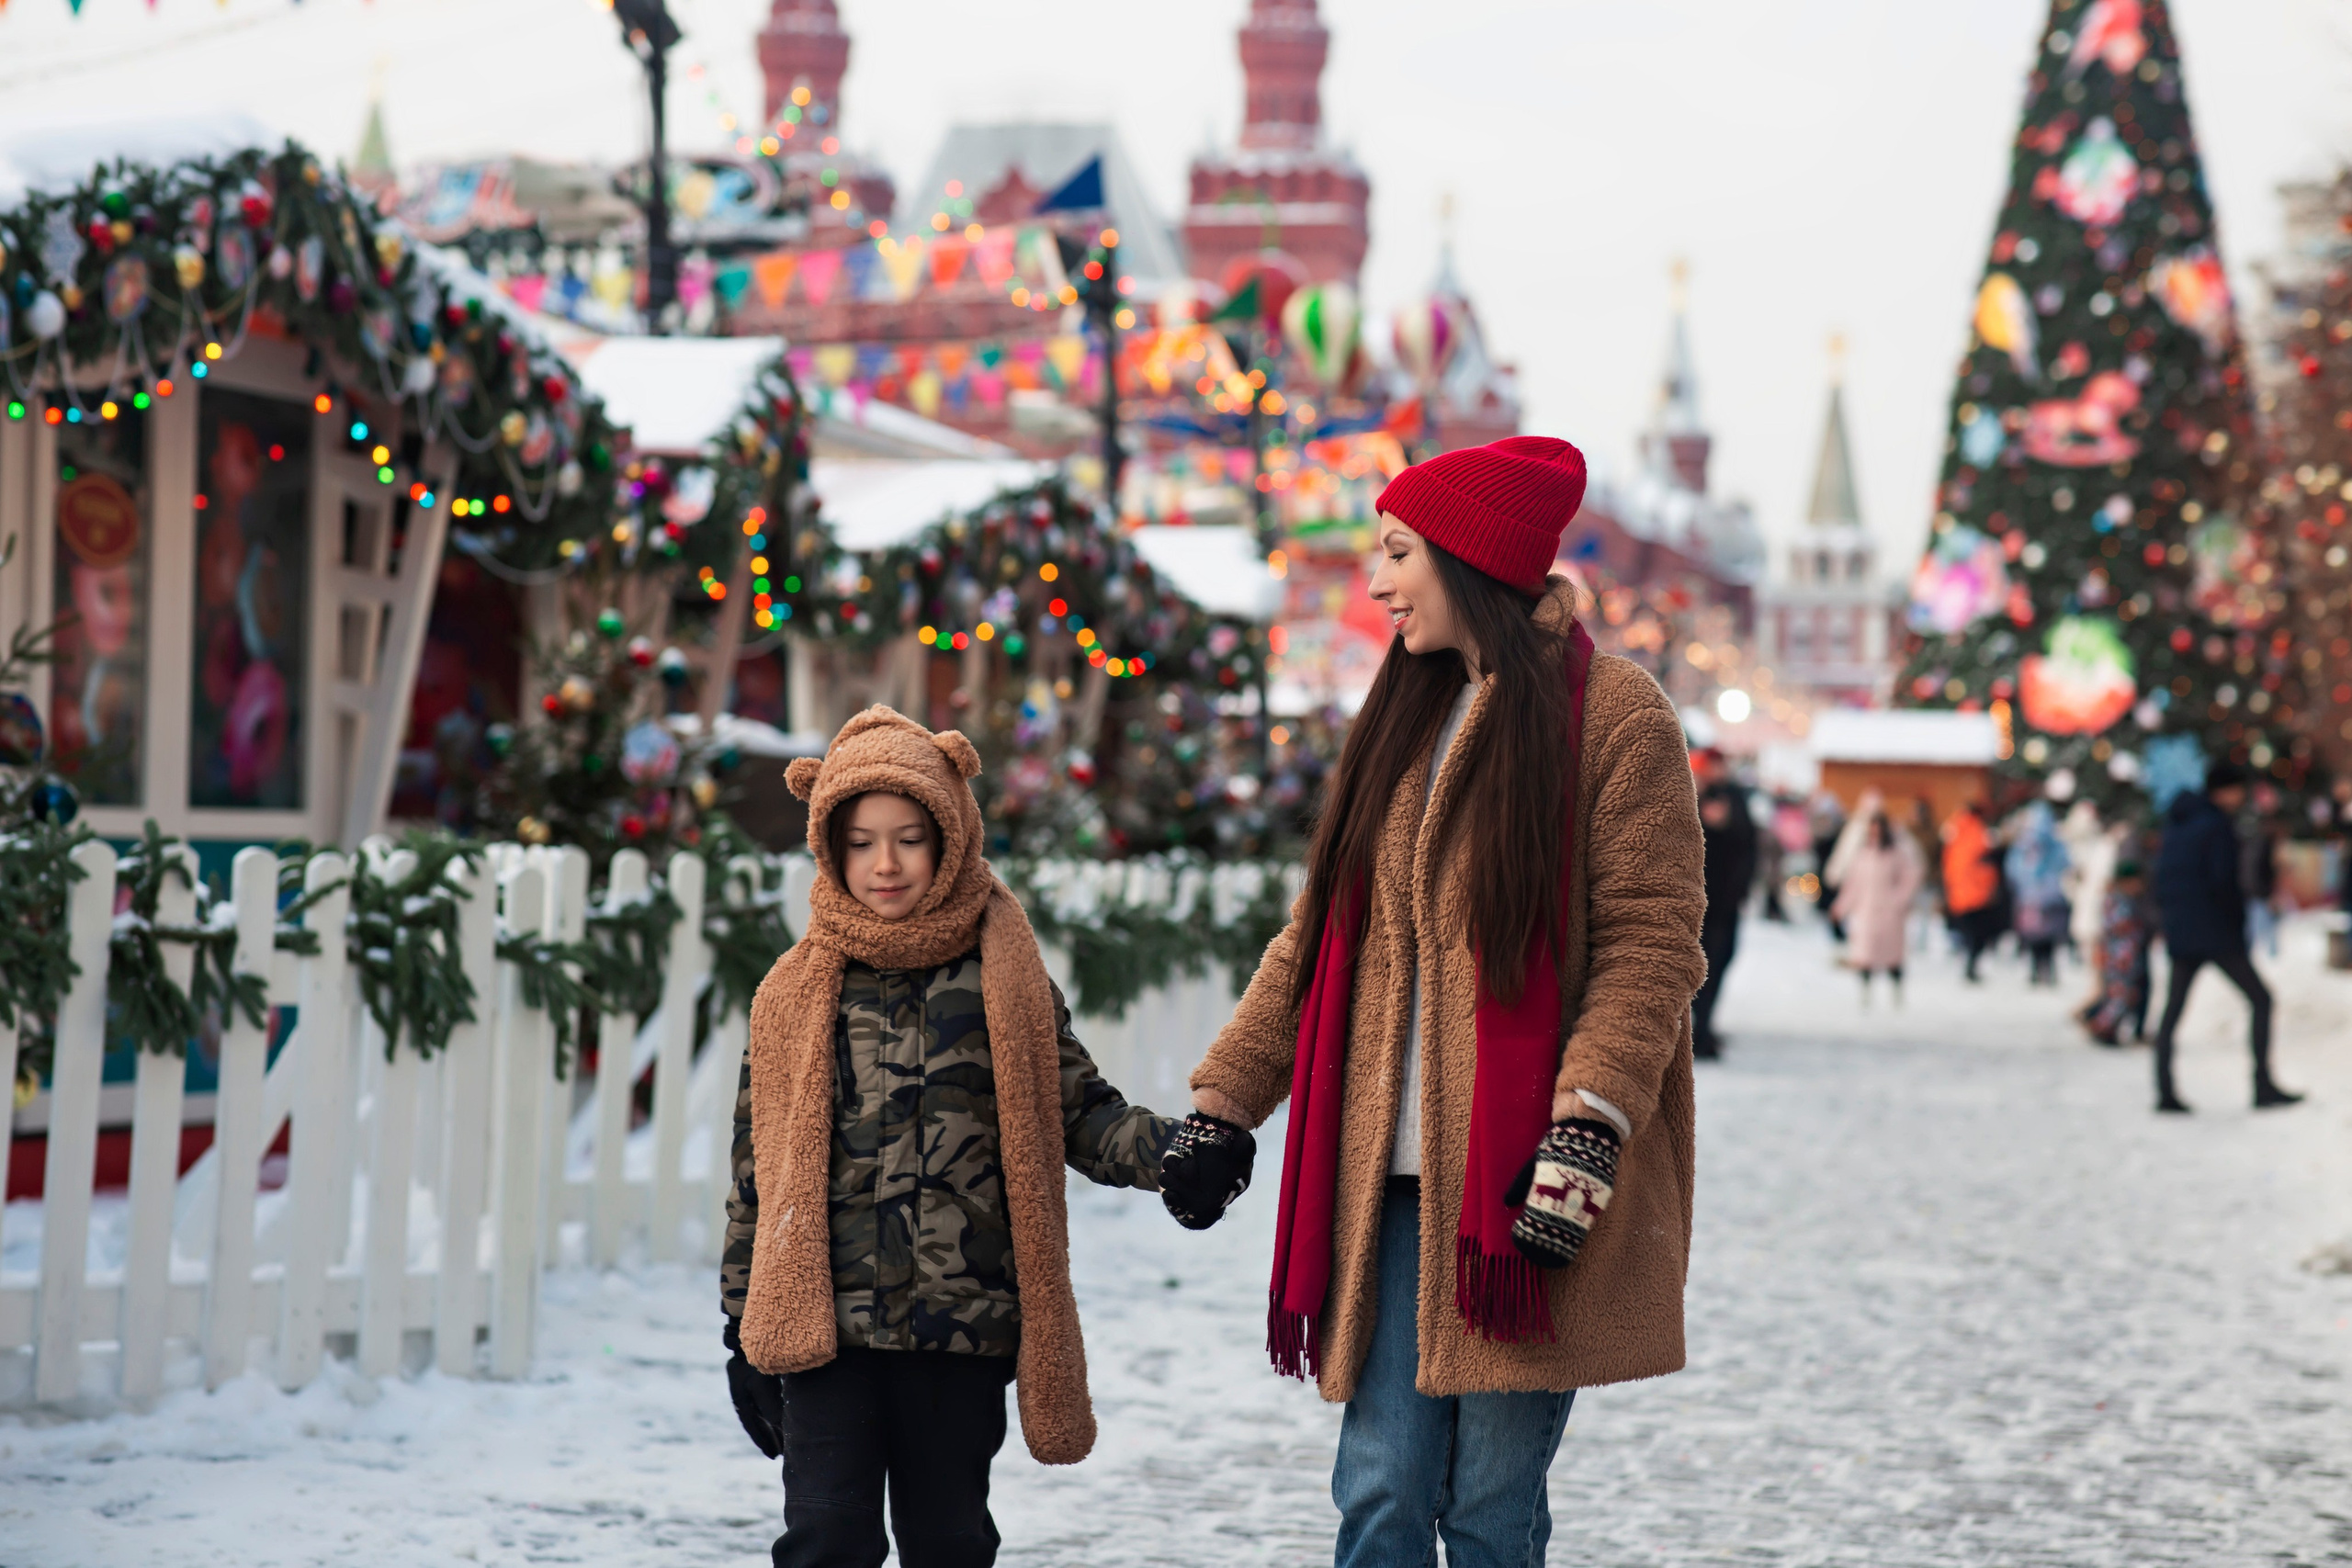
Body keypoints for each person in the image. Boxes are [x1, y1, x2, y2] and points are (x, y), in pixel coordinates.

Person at [1160, 436, 1707, 1568]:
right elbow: (1317, 943)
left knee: (1491, 1512)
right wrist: (1225, 1102)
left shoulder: (1616, 718)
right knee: (1380, 1495)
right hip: (1392, 1186)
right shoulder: (1402, 718)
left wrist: (1587, 1126)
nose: (1373, 581)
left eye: (1397, 552)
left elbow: (1652, 944)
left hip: (1529, 1185)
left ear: (1469, 559)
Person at [721, 707, 1208, 1568]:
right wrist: (739, 1324)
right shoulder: (793, 992)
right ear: (829, 846)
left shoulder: (1001, 978)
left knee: (948, 1543)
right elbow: (757, 1172)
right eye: (863, 840)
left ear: (950, 836)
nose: (886, 863)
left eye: (910, 837)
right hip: (827, 1330)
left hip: (961, 1329)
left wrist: (1171, 1149)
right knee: (826, 1539)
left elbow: (1080, 1109)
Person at [2149, 761, 2302, 1113]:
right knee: (2261, 999)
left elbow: (2164, 879)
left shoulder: (2177, 824)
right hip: (2214, 930)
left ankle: (2164, 1089)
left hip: (2182, 929)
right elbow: (2224, 883)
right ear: (2226, 791)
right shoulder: (2216, 826)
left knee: (2172, 1011)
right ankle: (2263, 1084)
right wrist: (2237, 924)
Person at [1691, 748, 1757, 1060]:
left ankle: (1703, 1027)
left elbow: (1747, 844)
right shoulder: (1691, 794)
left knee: (1718, 963)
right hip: (1697, 901)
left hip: (1725, 902)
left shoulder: (1735, 797)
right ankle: (1698, 1032)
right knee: (1700, 967)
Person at [1832, 809, 1922, 1005]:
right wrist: (1841, 907)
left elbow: (1910, 878)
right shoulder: (1862, 856)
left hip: (1890, 913)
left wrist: (1899, 900)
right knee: (1865, 955)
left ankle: (1897, 994)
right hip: (1866, 912)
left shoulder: (1896, 855)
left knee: (1892, 956)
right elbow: (1852, 886)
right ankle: (1865, 994)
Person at [2083, 857, 2152, 1046]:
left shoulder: (2121, 899)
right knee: (2119, 996)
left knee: (2124, 995)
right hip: (2119, 957)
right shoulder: (2116, 900)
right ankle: (2102, 1026)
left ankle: (2107, 1026)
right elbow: (2118, 927)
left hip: (2125, 956)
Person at [2005, 801, 2072, 987]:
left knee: (2040, 937)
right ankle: (2041, 969)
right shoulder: (2035, 844)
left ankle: (2041, 970)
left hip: (2038, 897)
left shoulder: (2029, 844)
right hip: (2041, 897)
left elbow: (2013, 869)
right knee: (2040, 936)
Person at [1941, 800, 2001, 982]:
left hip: (1958, 893)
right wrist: (1990, 884)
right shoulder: (1979, 833)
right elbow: (1986, 863)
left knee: (1968, 932)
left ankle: (1968, 963)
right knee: (1978, 934)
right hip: (1977, 893)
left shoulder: (1954, 832)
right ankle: (1971, 964)